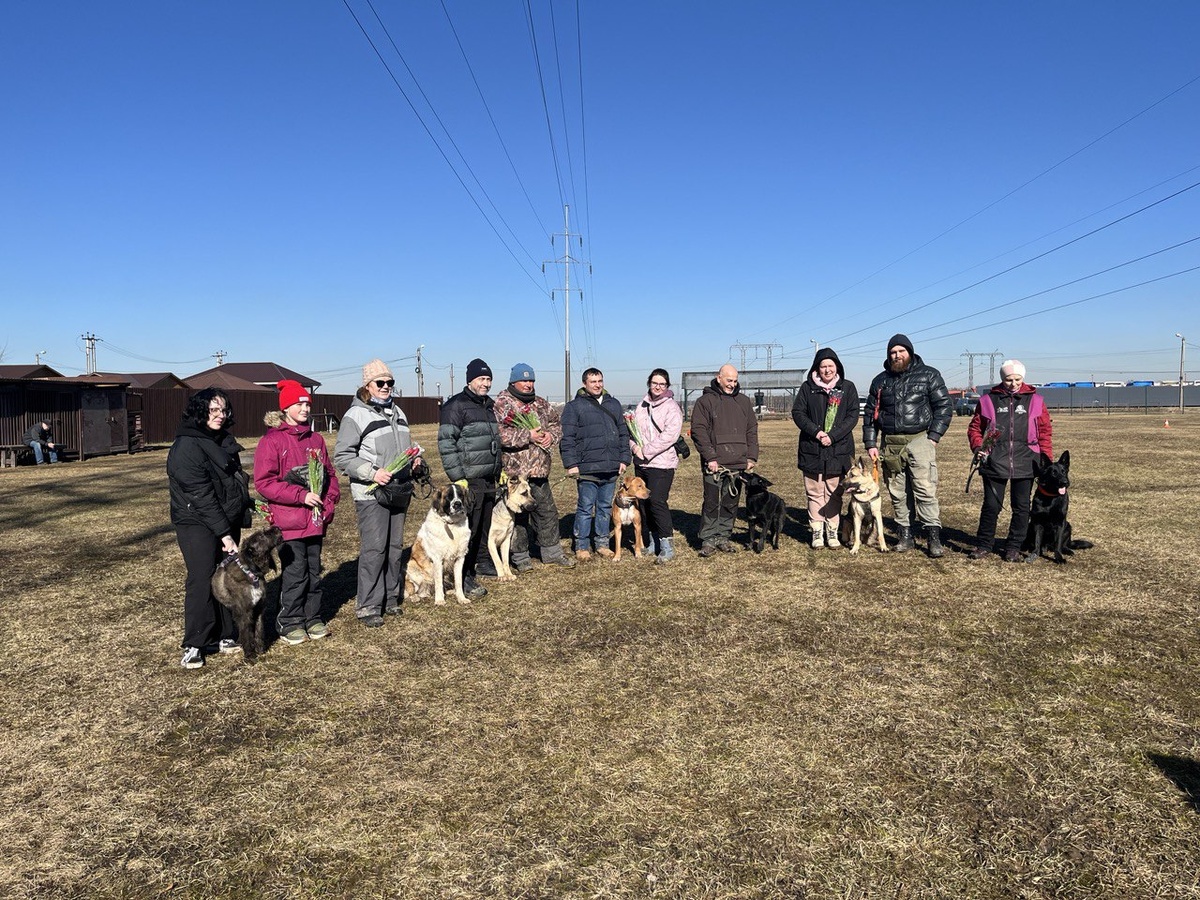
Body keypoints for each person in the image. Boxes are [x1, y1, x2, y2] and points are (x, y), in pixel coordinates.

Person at [167, 388, 252, 669]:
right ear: (200, 411)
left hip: (225, 517)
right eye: (213, 410)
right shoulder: (187, 446)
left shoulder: (223, 439)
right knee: (202, 577)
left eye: (224, 410)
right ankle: (196, 642)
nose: (220, 415)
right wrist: (224, 534)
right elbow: (200, 495)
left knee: (227, 576)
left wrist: (247, 504)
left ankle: (227, 634)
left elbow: (231, 482)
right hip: (196, 521)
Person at [334, 359, 423, 627]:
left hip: (398, 490)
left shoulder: (399, 413)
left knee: (394, 547)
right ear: (367, 385)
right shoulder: (355, 415)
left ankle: (390, 598)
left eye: (389, 382)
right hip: (371, 494)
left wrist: (413, 460)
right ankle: (369, 605)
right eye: (380, 383)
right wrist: (372, 473)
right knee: (375, 548)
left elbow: (399, 449)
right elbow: (342, 457)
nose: (386, 387)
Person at [254, 380, 341, 644]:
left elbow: (329, 474)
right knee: (295, 572)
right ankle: (289, 621)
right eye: (299, 404)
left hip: (315, 521)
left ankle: (312, 617)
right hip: (289, 522)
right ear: (286, 408)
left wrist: (329, 501)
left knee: (314, 571)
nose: (305, 408)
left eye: (307, 404)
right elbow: (264, 483)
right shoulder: (272, 441)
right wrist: (301, 496)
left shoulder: (315, 439)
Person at [862, 334, 953, 557]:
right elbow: (870, 416)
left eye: (901, 351)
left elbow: (943, 406)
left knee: (925, 489)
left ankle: (933, 537)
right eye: (893, 352)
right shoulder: (880, 381)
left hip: (920, 439)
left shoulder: (929, 375)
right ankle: (905, 535)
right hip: (890, 443)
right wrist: (871, 442)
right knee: (897, 491)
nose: (897, 355)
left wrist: (933, 436)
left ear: (910, 352)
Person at [967, 360, 1052, 562]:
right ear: (1001, 379)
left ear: (1023, 378)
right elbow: (975, 428)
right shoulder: (988, 400)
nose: (1013, 383)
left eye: (1017, 379)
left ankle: (1013, 547)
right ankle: (983, 545)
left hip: (1027, 461)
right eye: (1008, 379)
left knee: (1021, 507)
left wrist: (1046, 460)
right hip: (994, 461)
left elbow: (1045, 433)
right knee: (991, 506)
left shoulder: (1036, 400)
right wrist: (978, 447)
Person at [493, 363, 575, 570]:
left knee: (547, 512)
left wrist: (551, 436)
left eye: (531, 381)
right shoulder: (502, 404)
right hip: (514, 472)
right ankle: (520, 557)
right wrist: (527, 435)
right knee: (518, 516)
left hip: (539, 470)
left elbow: (557, 425)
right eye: (524, 380)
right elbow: (498, 434)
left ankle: (551, 552)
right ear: (513, 382)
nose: (529, 384)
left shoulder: (541, 404)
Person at [438, 358, 503, 597]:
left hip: (489, 475)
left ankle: (483, 562)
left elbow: (495, 440)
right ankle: (462, 575)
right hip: (469, 477)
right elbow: (446, 443)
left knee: (485, 524)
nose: (486, 384)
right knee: (470, 528)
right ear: (470, 380)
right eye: (481, 379)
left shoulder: (489, 405)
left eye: (488, 379)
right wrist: (458, 477)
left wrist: (500, 467)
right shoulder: (456, 406)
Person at [559, 367, 630, 560]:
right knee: (585, 507)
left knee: (605, 507)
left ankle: (602, 543)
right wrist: (571, 463)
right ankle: (581, 545)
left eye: (600, 381)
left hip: (611, 466)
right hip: (587, 467)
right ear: (584, 384)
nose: (598, 385)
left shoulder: (613, 404)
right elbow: (567, 438)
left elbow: (623, 433)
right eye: (593, 382)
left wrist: (624, 458)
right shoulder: (574, 407)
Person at [792, 349, 859, 549]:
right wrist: (817, 432)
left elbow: (852, 416)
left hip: (839, 450)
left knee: (834, 491)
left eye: (830, 365)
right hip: (812, 448)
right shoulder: (807, 388)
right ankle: (817, 532)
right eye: (823, 366)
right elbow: (798, 413)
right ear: (817, 368)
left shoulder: (848, 388)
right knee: (814, 491)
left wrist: (833, 435)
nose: (827, 370)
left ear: (837, 366)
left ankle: (832, 530)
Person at [691, 364, 759, 557]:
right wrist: (710, 457)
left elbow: (751, 430)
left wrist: (752, 456)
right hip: (714, 464)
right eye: (729, 380)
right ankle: (708, 538)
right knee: (711, 501)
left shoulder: (744, 402)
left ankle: (724, 536)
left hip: (738, 463)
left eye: (735, 381)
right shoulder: (705, 402)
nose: (732, 384)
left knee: (730, 502)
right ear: (718, 378)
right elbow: (699, 431)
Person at [631, 368, 684, 563]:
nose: (658, 387)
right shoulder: (641, 406)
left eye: (662, 384)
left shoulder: (672, 408)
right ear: (649, 383)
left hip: (662, 464)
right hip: (641, 463)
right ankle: (652, 541)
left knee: (657, 502)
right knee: (643, 503)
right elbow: (632, 430)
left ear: (667, 386)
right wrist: (635, 447)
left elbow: (669, 436)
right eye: (655, 383)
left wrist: (647, 451)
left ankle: (667, 545)